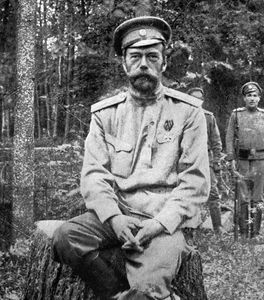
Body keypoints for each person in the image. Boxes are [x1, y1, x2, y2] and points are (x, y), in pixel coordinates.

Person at [52, 16, 210, 300]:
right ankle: (116, 294)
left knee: (148, 290)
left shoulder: (188, 112)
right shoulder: (106, 114)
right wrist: (114, 219)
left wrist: (160, 223)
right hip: (119, 213)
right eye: (135, 56)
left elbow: (195, 181)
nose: (144, 65)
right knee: (67, 237)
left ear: (164, 63)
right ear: (124, 63)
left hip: (163, 220)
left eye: (152, 56)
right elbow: (94, 175)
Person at [225, 82, 264, 237]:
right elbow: (229, 138)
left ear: (259, 98)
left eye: (255, 95)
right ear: (244, 98)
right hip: (242, 160)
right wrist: (231, 158)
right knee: (243, 196)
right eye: (249, 95)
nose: (252, 98)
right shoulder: (237, 114)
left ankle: (255, 231)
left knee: (257, 197)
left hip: (261, 159)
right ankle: (244, 231)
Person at [187, 87, 223, 234]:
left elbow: (216, 142)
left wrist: (217, 162)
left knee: (213, 192)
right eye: (193, 98)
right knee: (189, 192)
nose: (197, 101)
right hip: (188, 159)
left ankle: (217, 226)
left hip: (206, 159)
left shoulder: (208, 117)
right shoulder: (182, 117)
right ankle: (190, 226)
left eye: (199, 99)